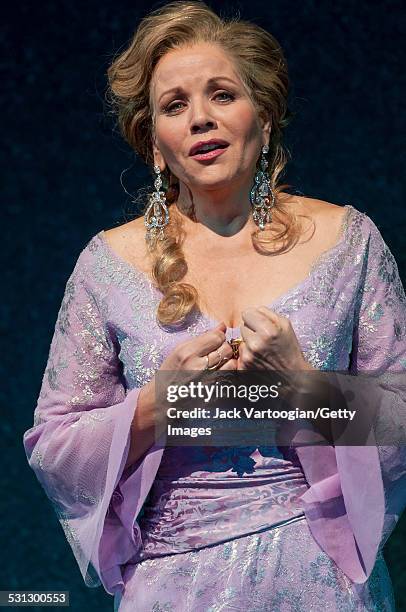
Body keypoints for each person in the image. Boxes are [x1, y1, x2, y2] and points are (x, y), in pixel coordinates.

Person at [23, 2, 406, 610]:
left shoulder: (348, 243)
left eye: (222, 95)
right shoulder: (107, 266)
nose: (200, 119)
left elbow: (401, 420)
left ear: (265, 115)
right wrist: (158, 403)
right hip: (172, 584)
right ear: (155, 142)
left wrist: (305, 385)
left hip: (318, 580)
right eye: (175, 106)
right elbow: (56, 445)